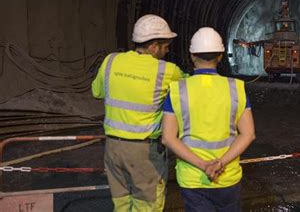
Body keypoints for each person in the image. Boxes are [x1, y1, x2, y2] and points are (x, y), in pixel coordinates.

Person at [91, 14, 187, 212]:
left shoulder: (111, 61)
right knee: (147, 206)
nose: (167, 51)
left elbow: (97, 91)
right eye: (166, 46)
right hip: (144, 152)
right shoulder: (168, 71)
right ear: (153, 47)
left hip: (113, 150)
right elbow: (190, 93)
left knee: (122, 204)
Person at [162, 27, 256, 212]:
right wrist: (219, 163)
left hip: (193, 178)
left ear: (192, 56)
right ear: (220, 56)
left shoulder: (177, 90)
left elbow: (168, 137)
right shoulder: (236, 89)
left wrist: (204, 165)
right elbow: (248, 134)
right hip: (226, 176)